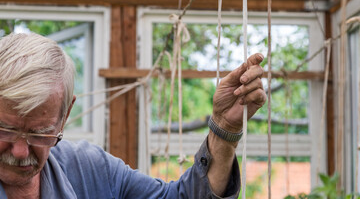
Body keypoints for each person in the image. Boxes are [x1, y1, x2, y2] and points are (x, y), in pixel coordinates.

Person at [0, 32, 266, 199]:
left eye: (40, 133)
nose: (21, 151)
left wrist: (224, 129)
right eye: (6, 129)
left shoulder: (89, 170)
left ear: (65, 114)